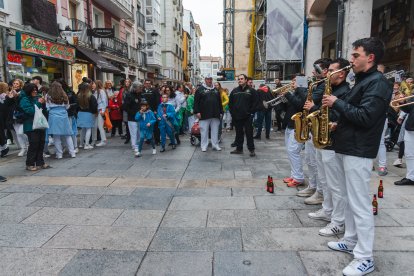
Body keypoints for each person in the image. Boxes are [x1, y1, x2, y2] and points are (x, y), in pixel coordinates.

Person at [322, 37, 391, 276]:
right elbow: (355, 115)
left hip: (359, 150)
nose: (350, 60)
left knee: (361, 205)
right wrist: (336, 123)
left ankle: (365, 257)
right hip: (347, 146)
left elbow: (365, 117)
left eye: (355, 55)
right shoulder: (362, 81)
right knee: (351, 200)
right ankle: (351, 240)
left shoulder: (378, 83)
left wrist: (336, 103)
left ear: (370, 58)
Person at [305, 58, 351, 238]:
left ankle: (337, 222)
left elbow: (340, 114)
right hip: (323, 140)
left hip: (333, 143)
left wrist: (319, 110)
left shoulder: (345, 91)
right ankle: (327, 210)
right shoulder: (330, 88)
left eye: (331, 70)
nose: (327, 73)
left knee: (336, 185)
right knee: (325, 181)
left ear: (341, 73)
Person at [282, 76, 307, 187]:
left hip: (299, 126)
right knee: (289, 151)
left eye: (294, 81)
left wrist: (288, 94)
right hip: (290, 125)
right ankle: (294, 175)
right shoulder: (296, 92)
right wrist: (284, 98)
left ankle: (298, 178)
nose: (292, 83)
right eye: (292, 81)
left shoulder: (304, 92)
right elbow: (290, 106)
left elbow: (300, 105)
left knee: (293, 151)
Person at [19, 83, 50, 171]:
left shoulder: (37, 97)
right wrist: (39, 103)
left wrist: (43, 104)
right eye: (33, 90)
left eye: (36, 89)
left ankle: (40, 162)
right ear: (28, 91)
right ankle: (30, 164)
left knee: (41, 143)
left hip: (40, 124)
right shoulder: (24, 99)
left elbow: (43, 110)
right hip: (30, 125)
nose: (35, 91)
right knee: (34, 144)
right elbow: (31, 111)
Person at [229, 74, 258, 157]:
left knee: (249, 134)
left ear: (246, 80)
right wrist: (233, 114)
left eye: (242, 79)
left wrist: (251, 113)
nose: (240, 80)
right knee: (239, 133)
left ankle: (251, 150)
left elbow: (256, 103)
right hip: (237, 117)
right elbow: (230, 104)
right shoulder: (234, 91)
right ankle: (239, 149)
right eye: (239, 79)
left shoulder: (251, 91)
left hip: (248, 117)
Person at [45, 82, 76, 159]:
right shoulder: (64, 94)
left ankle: (59, 154)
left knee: (56, 136)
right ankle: (72, 152)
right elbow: (67, 106)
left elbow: (47, 107)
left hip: (53, 115)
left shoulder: (48, 95)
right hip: (64, 115)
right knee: (68, 135)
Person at [194, 75, 223, 152]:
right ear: (205, 80)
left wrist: (221, 111)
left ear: (212, 80)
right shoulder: (200, 90)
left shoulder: (216, 90)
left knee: (215, 130)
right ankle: (204, 146)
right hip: (204, 114)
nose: (209, 81)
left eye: (210, 79)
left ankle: (215, 145)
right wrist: (197, 112)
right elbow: (196, 102)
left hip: (215, 113)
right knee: (204, 131)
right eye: (207, 79)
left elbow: (220, 102)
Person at [77, 83, 98, 150]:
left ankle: (81, 144)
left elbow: (76, 106)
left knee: (83, 129)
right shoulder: (91, 96)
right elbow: (94, 105)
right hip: (88, 113)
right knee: (88, 129)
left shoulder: (79, 95)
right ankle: (86, 144)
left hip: (80, 113)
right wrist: (94, 112)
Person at [124, 81, 142, 155]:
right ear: (135, 88)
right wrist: (132, 112)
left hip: (140, 117)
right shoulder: (129, 95)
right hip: (132, 118)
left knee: (139, 132)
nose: (141, 89)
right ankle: (134, 146)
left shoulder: (140, 94)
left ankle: (138, 144)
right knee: (133, 132)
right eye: (139, 88)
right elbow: (125, 106)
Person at [142, 79, 161, 145]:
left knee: (155, 126)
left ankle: (157, 140)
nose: (147, 84)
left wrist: (156, 110)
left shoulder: (155, 91)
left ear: (151, 84)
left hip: (153, 111)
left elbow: (158, 101)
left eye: (149, 83)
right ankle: (148, 139)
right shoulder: (142, 91)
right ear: (144, 84)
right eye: (146, 83)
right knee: (147, 125)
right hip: (145, 112)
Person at [91, 80, 108, 147]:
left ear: (97, 84)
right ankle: (94, 140)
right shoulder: (95, 92)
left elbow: (104, 102)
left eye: (94, 84)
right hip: (96, 111)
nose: (92, 85)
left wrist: (103, 111)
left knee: (100, 126)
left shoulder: (101, 91)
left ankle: (103, 140)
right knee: (94, 126)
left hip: (100, 110)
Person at [0, 82, 12, 158]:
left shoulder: (5, 96)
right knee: (2, 133)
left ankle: (3, 148)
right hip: (3, 118)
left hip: (3, 118)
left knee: (2, 133)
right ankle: (3, 147)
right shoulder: (5, 96)